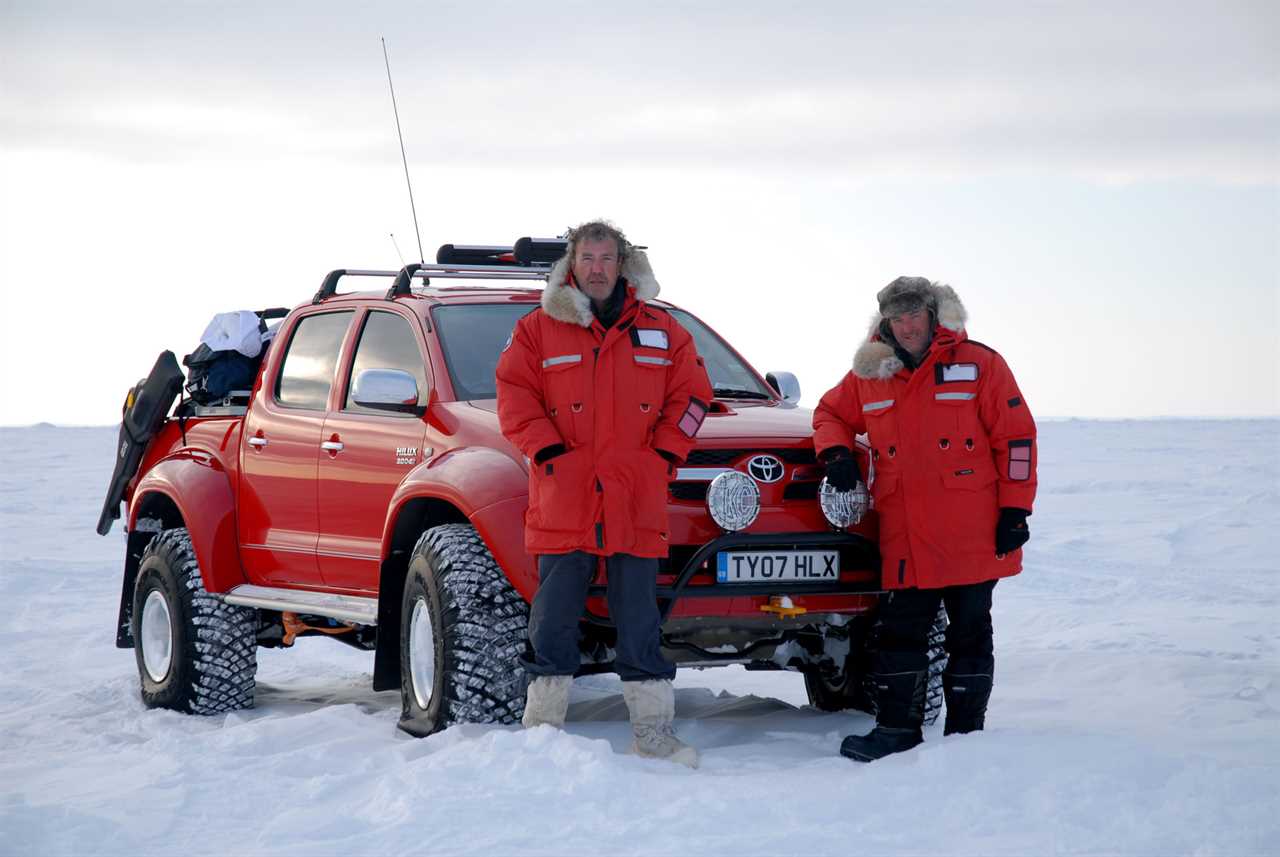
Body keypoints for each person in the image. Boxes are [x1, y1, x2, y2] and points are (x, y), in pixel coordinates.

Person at [496, 220, 713, 767]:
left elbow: (693, 397)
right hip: (565, 496)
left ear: (623, 265)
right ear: (573, 264)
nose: (597, 268)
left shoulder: (664, 330)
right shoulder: (537, 330)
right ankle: (542, 731)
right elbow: (513, 395)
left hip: (635, 497)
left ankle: (653, 732)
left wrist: (664, 455)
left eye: (607, 258)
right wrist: (547, 452)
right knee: (553, 618)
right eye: (588, 258)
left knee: (639, 618)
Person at [813, 276, 1037, 762]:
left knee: (970, 630)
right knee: (901, 632)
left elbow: (1016, 438)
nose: (908, 326)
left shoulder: (980, 364)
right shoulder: (870, 375)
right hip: (907, 531)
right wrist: (836, 454)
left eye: (915, 315)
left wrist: (1016, 508)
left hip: (973, 529)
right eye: (898, 317)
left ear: (934, 314)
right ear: (885, 323)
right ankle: (897, 731)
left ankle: (965, 737)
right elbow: (829, 413)